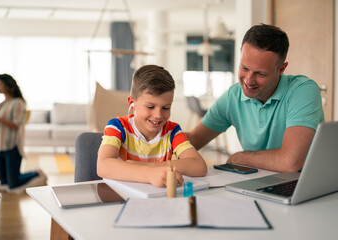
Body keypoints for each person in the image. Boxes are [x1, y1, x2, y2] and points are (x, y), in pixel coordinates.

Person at [186, 24, 324, 173]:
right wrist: (160, 134)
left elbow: (290, 162)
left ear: (281, 69)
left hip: (304, 183)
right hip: (260, 182)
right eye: (244, 68)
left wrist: (239, 158)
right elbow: (195, 138)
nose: (249, 81)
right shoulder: (233, 96)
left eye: (261, 74)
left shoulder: (302, 91)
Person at [97, 65, 207, 187]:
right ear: (132, 103)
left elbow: (199, 166)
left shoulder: (172, 131)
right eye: (150, 107)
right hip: (123, 194)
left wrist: (149, 167)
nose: (158, 115)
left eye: (166, 108)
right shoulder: (117, 126)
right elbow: (103, 166)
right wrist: (149, 174)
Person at [0, 74, 47, 194]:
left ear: (8, 85)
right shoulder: (2, 104)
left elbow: (16, 125)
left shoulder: (18, 103)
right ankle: (21, 175)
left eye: (0, 84)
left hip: (11, 146)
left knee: (13, 184)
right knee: (4, 183)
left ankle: (37, 173)